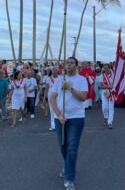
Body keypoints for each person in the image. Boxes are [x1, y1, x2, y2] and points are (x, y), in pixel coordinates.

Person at [51, 57, 88, 190]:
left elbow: (83, 97)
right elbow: (52, 98)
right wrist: (59, 115)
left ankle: (69, 179)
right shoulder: (59, 80)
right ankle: (67, 165)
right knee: (63, 146)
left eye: (72, 63)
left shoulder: (82, 80)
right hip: (60, 118)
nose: (69, 64)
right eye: (67, 63)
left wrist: (70, 88)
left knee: (72, 148)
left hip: (76, 118)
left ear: (76, 66)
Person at [100, 63, 115, 129]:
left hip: (112, 92)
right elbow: (101, 86)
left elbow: (114, 85)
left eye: (107, 68)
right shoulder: (102, 76)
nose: (106, 69)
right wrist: (108, 86)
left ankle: (110, 122)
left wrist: (106, 86)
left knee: (111, 107)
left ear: (109, 68)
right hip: (104, 93)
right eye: (104, 68)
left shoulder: (113, 75)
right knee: (104, 107)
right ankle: (106, 117)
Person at [45, 66, 59, 131]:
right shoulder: (49, 78)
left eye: (55, 70)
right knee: (52, 110)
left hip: (58, 96)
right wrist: (45, 96)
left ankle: (59, 124)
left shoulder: (60, 78)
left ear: (57, 71)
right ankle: (53, 125)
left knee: (59, 109)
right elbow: (46, 88)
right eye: (53, 70)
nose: (54, 72)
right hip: (51, 96)